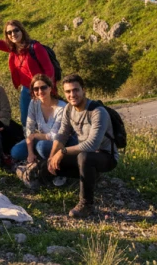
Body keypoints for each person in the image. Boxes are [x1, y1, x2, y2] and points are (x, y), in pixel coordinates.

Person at [46, 74, 119, 218]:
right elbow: (62, 134)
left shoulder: (98, 112)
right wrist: (51, 157)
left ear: (83, 90)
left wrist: (63, 151)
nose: (72, 95)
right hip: (83, 155)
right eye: (68, 92)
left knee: (85, 157)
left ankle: (86, 204)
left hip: (106, 156)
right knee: (49, 165)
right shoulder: (69, 109)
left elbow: (92, 144)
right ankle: (91, 177)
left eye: (75, 90)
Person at [11, 74, 71, 187]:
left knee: (42, 147)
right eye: (36, 89)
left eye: (43, 87)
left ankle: (57, 167)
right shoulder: (34, 103)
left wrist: (34, 136)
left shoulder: (62, 108)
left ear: (50, 87)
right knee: (16, 151)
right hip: (40, 139)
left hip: (58, 145)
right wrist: (30, 152)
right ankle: (37, 161)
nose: (40, 91)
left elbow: (55, 136)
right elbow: (29, 128)